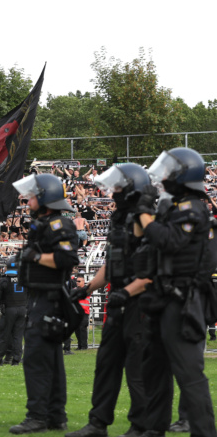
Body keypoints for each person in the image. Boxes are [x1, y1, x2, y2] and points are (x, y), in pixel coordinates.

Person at [65, 163, 152, 437]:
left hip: (139, 303)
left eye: (117, 186)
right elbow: (112, 264)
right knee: (106, 364)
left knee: (136, 368)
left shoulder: (146, 218)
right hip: (117, 300)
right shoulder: (119, 218)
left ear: (131, 187)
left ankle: (141, 426)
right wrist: (88, 288)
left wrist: (126, 292)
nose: (112, 191)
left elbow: (154, 269)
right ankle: (97, 423)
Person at [135, 148, 217, 437]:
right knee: (154, 370)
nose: (165, 177)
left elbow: (167, 240)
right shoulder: (175, 207)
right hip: (163, 298)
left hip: (183, 301)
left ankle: (205, 432)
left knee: (188, 373)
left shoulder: (193, 208)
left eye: (170, 172)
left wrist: (145, 213)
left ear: (184, 176)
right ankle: (153, 429)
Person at [9, 173, 80, 435]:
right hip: (41, 297)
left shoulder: (60, 224)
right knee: (51, 360)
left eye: (32, 196)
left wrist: (35, 256)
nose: (27, 201)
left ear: (46, 198)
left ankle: (37, 416)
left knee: (36, 359)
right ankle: (55, 416)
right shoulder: (46, 223)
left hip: (48, 299)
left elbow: (66, 260)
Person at [0, 256, 27, 366]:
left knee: (4, 335)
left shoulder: (4, 280)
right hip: (22, 309)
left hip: (9, 309)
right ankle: (16, 360)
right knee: (18, 336)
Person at [63, 277, 90, 352]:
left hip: (84, 313)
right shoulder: (74, 289)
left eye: (79, 281)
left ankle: (84, 346)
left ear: (83, 282)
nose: (77, 282)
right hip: (77, 312)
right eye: (76, 281)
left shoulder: (87, 289)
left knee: (82, 329)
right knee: (77, 330)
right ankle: (79, 346)